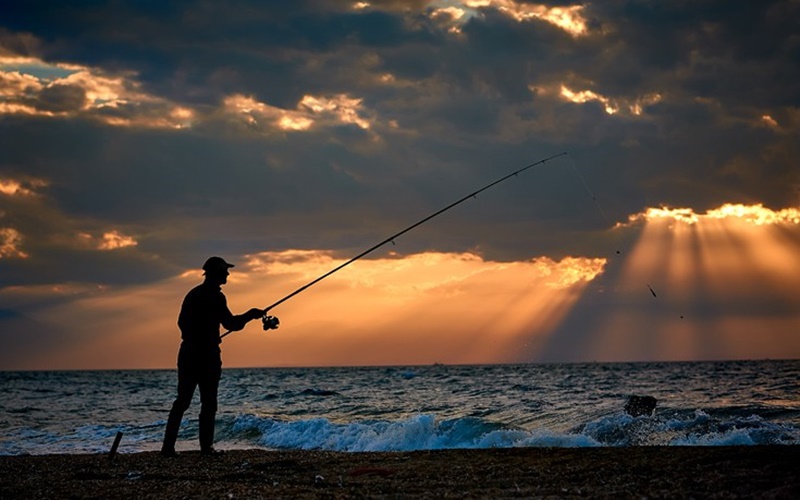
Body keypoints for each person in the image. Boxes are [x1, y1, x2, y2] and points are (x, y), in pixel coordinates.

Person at [161, 256, 266, 457]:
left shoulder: (192, 294)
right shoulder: (217, 297)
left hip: (188, 353)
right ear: (216, 273)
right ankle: (206, 449)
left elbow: (181, 323)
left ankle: (167, 448)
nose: (227, 274)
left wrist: (196, 338)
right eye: (225, 271)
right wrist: (251, 314)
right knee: (209, 402)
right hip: (207, 355)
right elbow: (232, 324)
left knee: (182, 401)